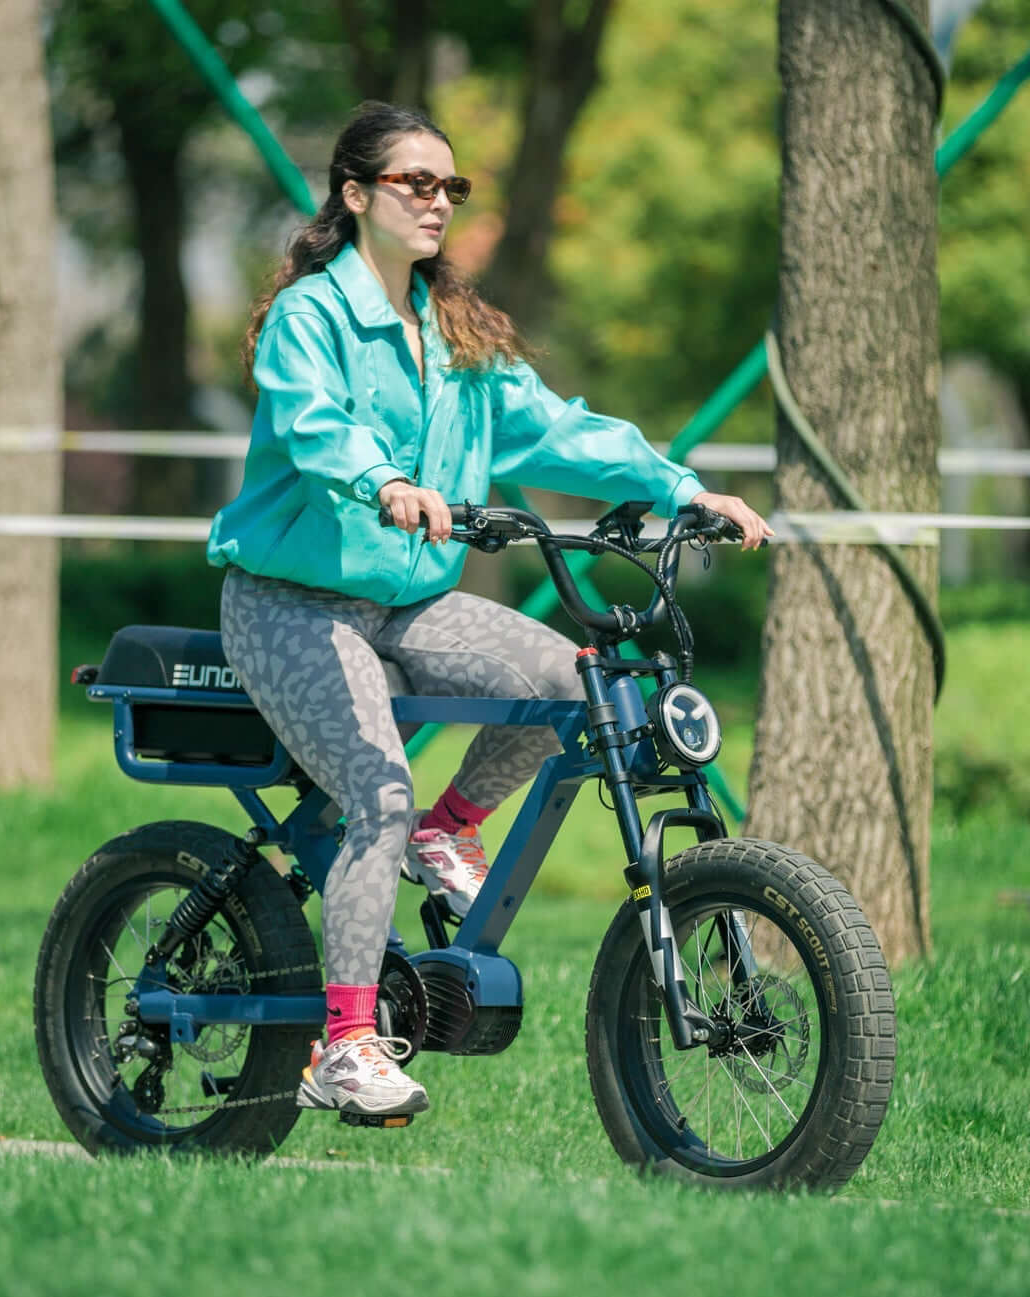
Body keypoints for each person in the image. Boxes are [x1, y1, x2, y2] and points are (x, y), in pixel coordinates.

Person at [209, 101, 771, 1119]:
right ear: (353, 194)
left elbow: (559, 431)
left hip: (406, 601)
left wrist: (680, 488)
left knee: (569, 680)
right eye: (414, 183)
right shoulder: (311, 319)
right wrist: (383, 480)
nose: (436, 202)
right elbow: (313, 424)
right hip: (289, 601)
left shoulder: (454, 335)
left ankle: (450, 826)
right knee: (371, 789)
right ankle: (343, 1045)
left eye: (449, 187)